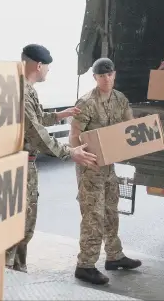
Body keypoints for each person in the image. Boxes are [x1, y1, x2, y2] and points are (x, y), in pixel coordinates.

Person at [6, 43, 99, 273]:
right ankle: (8, 275)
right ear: (39, 66)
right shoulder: (22, 92)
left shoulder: (27, 89)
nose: (48, 72)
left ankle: (17, 269)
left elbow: (37, 119)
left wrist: (61, 114)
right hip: (21, 167)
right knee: (19, 224)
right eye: (47, 67)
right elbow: (37, 135)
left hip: (25, 166)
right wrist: (70, 152)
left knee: (25, 224)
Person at [69, 57, 141, 285]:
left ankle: (114, 256)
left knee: (111, 210)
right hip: (90, 167)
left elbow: (130, 127)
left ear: (114, 74)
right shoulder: (87, 102)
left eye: (109, 75)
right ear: (95, 78)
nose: (106, 79)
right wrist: (78, 155)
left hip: (109, 166)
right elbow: (74, 134)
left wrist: (135, 143)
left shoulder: (120, 100)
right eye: (102, 76)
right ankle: (85, 265)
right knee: (93, 215)